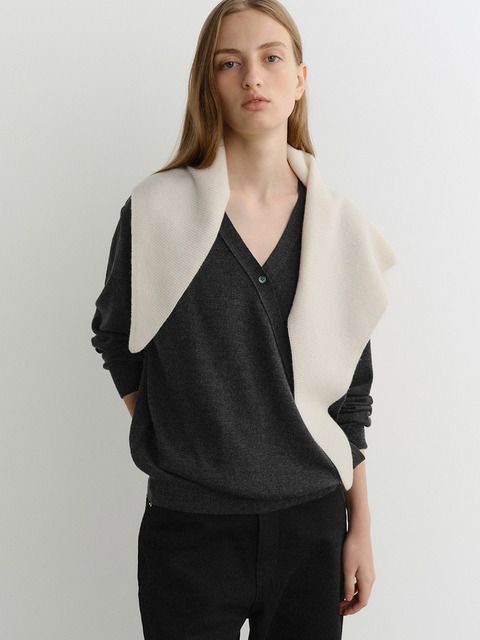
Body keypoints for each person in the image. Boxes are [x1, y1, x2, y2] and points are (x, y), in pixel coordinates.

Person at [90, 1, 397, 638]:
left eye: (271, 58)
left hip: (312, 524)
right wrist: (172, 432)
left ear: (300, 79)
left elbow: (350, 397)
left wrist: (360, 528)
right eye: (229, 63)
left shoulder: (337, 227)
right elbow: (116, 336)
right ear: (210, 83)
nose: (253, 76)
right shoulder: (155, 210)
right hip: (189, 529)